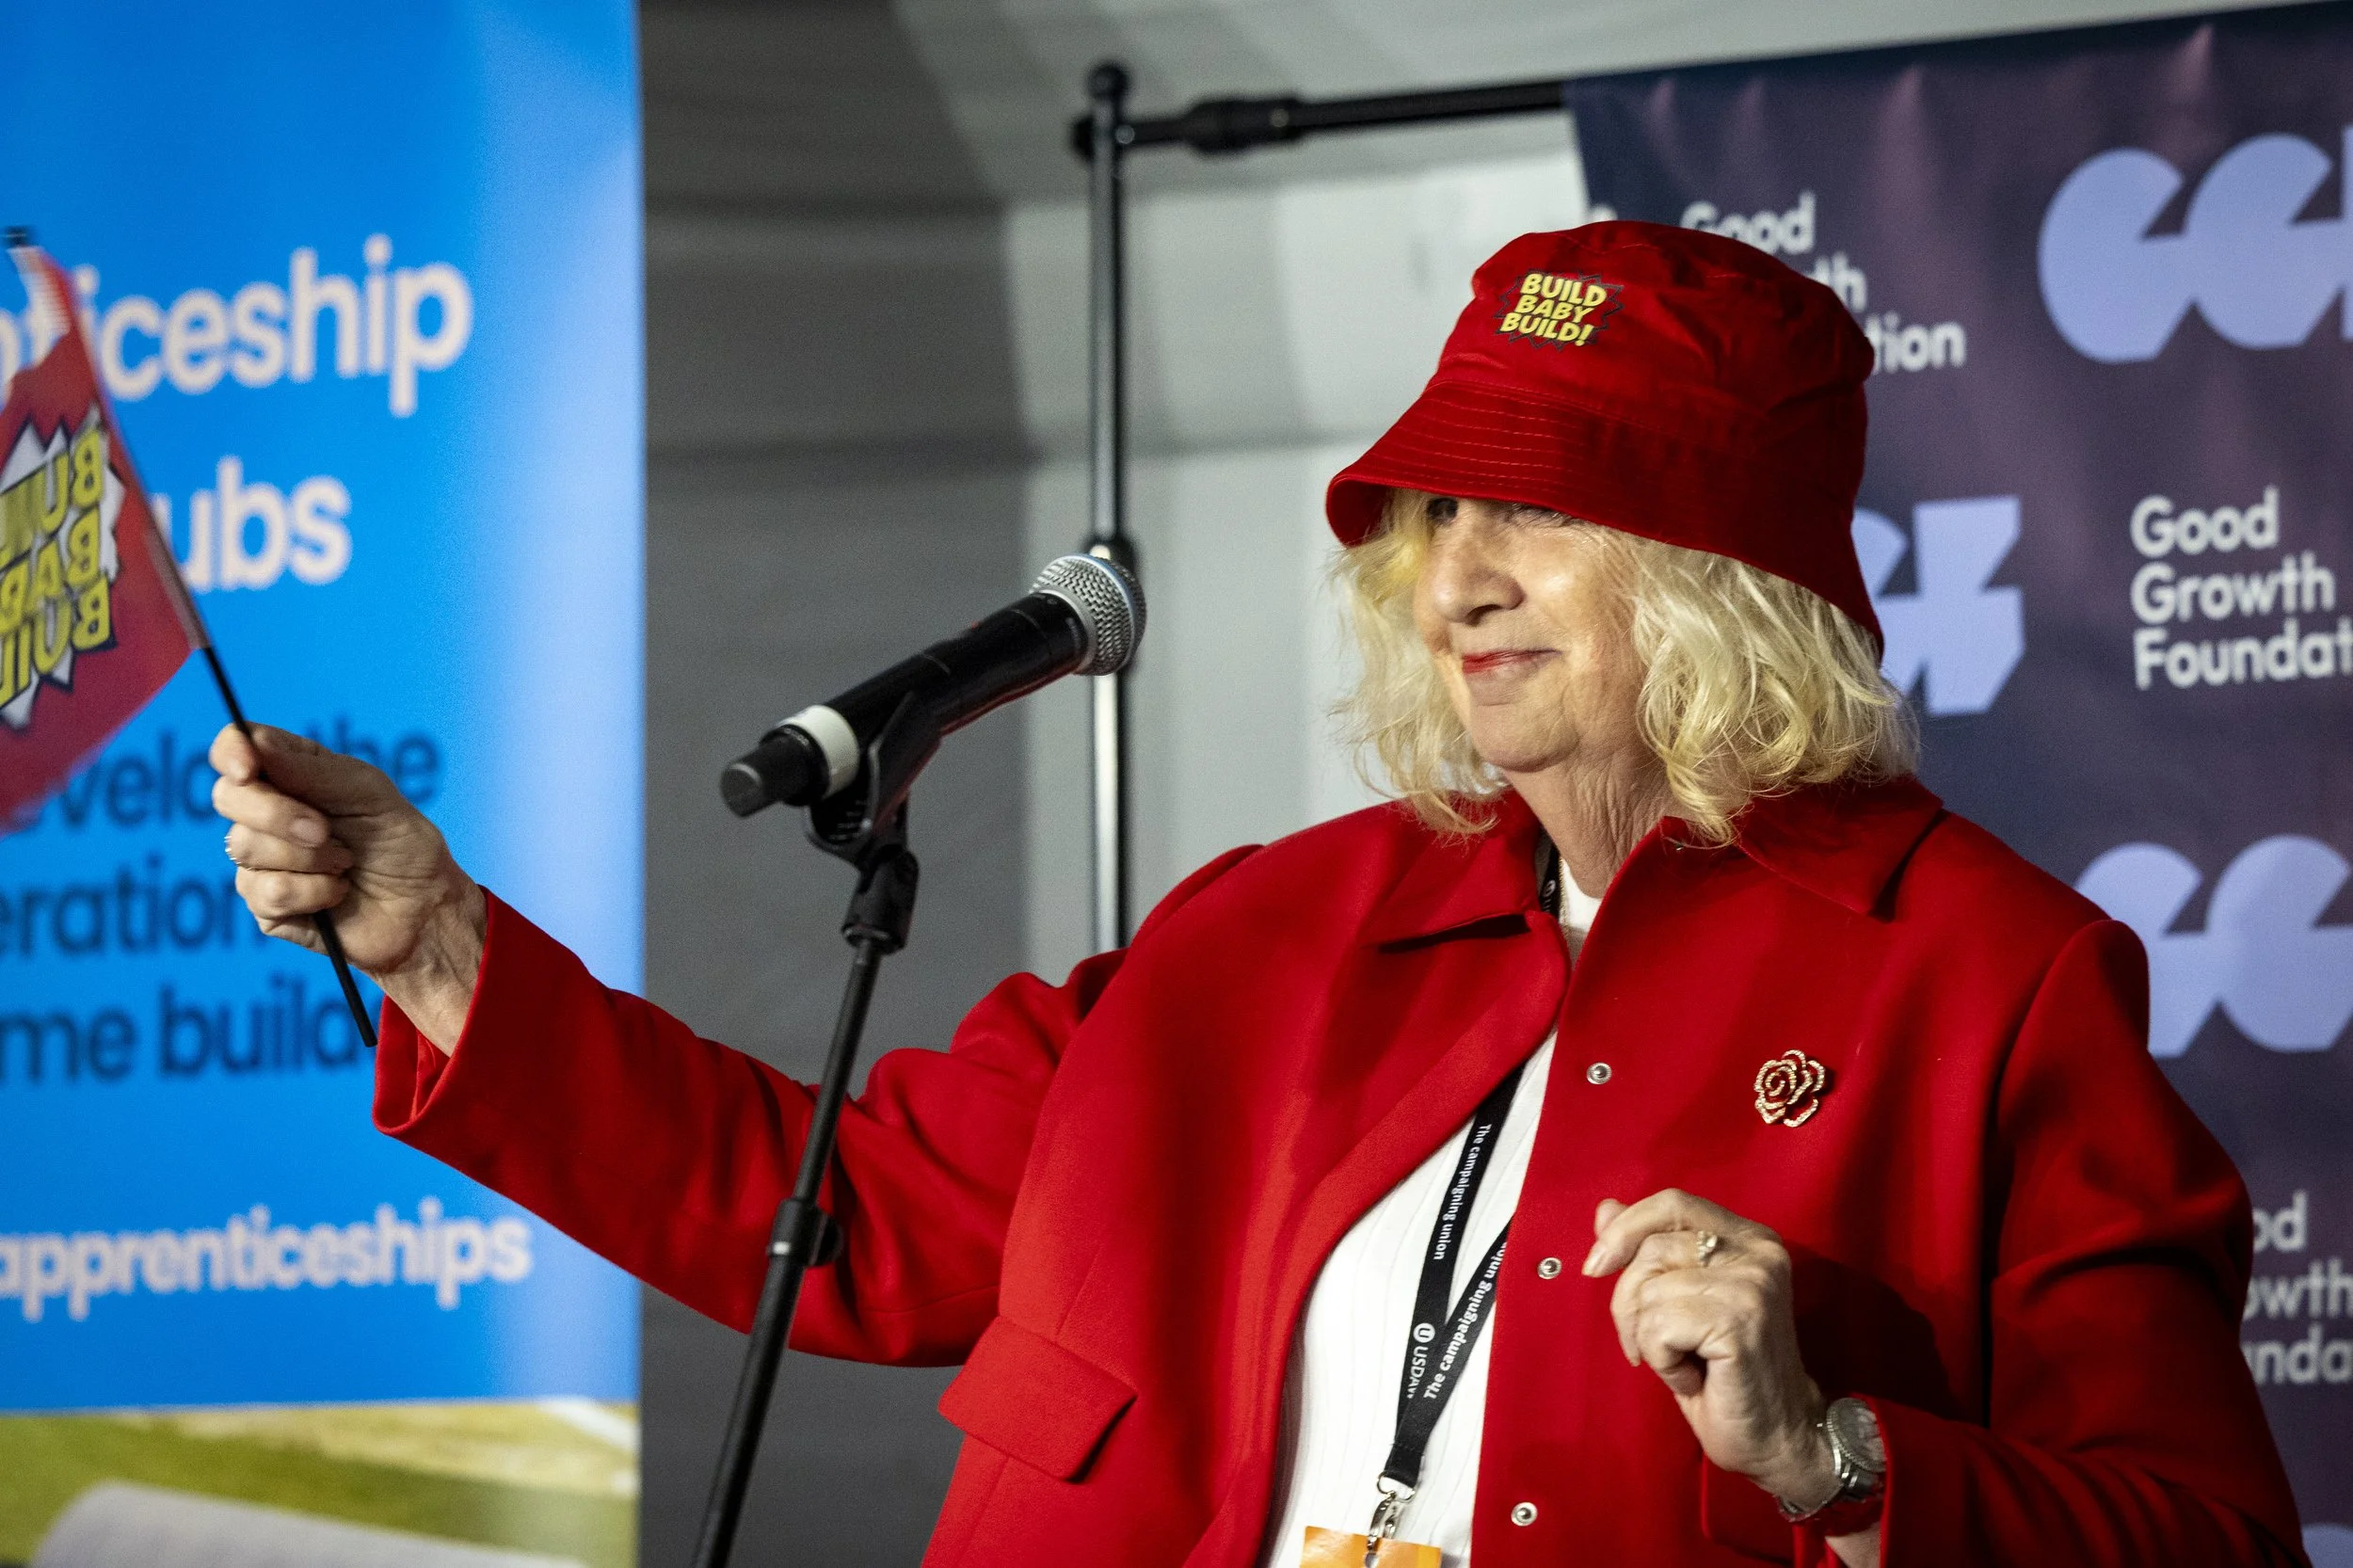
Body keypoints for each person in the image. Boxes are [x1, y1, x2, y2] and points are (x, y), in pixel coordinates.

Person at [212, 223, 2302, 1568]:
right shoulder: (1259, 931)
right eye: (1439, 506)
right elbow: (833, 1226)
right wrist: (443, 945)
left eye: (1543, 506)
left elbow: (2200, 1537)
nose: (1455, 572)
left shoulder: (1990, 975)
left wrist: (1836, 1455)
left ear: (1722, 568)